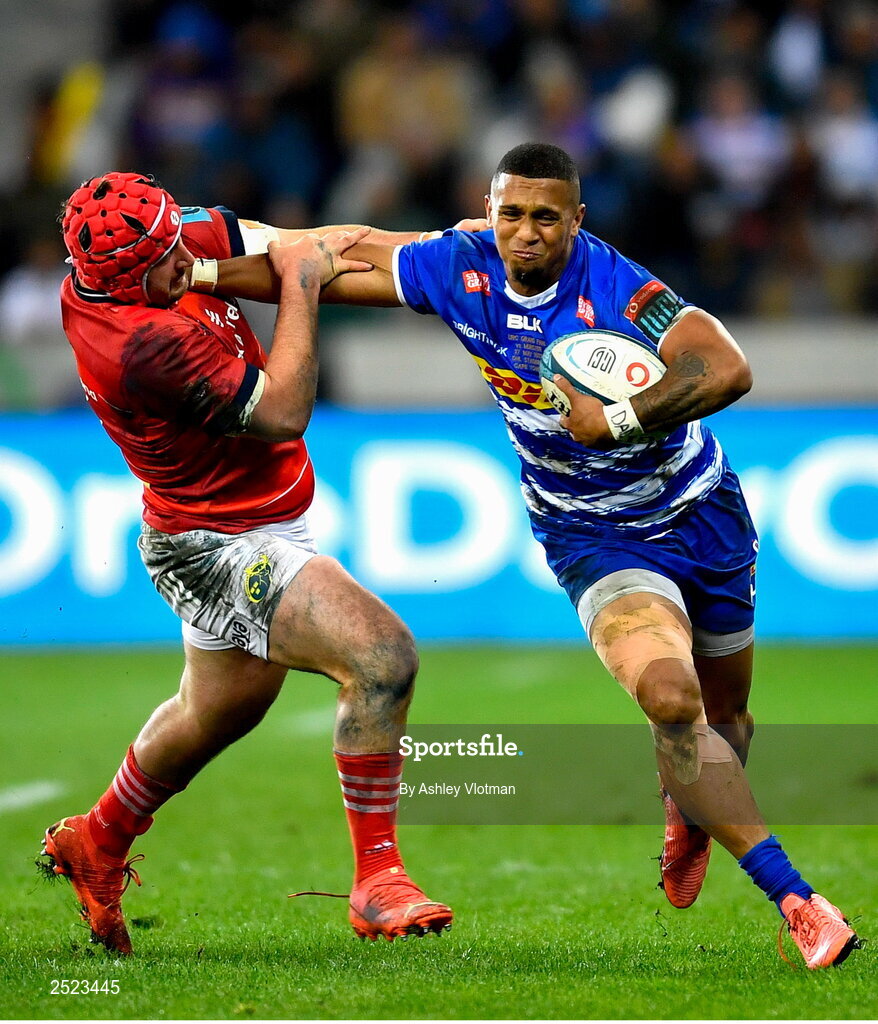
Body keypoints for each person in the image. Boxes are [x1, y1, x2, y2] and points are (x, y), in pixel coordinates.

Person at [201, 143, 861, 970]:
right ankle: (799, 902)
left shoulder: (624, 290)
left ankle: (687, 810)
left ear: (576, 221)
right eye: (510, 213)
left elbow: (727, 364)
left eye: (546, 217)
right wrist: (193, 275)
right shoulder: (460, 266)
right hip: (591, 535)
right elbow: (325, 261)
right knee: (669, 696)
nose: (525, 233)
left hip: (703, 517)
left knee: (726, 721)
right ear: (490, 208)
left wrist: (619, 421)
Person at [38, 171, 454, 955]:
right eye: (166, 259)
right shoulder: (139, 346)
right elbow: (283, 408)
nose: (182, 258)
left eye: (177, 238)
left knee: (218, 712)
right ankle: (378, 882)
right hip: (215, 545)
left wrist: (449, 258)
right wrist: (299, 285)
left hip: (251, 519)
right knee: (382, 656)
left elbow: (309, 248)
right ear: (130, 280)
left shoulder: (153, 240)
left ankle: (98, 836)